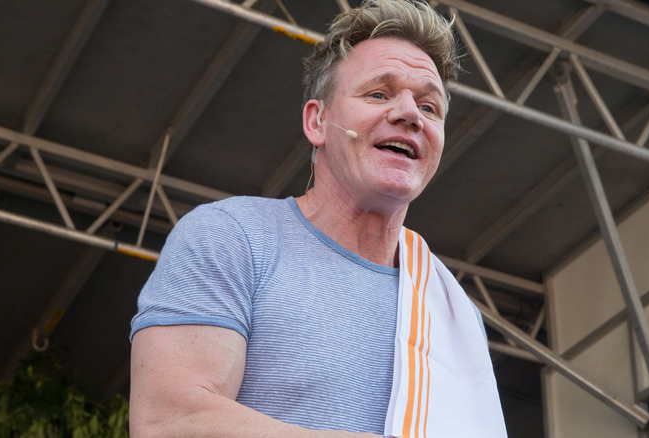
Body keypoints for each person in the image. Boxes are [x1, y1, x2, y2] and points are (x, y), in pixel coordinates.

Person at [129, 1, 507, 437]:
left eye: (429, 107)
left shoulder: (450, 310)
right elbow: (170, 422)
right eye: (379, 94)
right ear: (318, 121)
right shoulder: (232, 236)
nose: (409, 115)